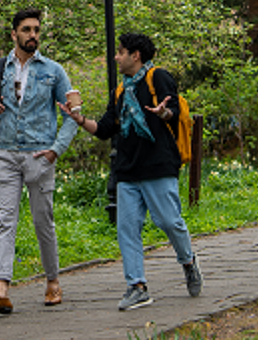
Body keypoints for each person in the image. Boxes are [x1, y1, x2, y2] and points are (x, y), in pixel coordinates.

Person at [58, 33, 203, 311]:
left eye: (120, 52)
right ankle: (137, 286)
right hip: (127, 170)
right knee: (127, 228)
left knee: (169, 221)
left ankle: (188, 262)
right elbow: (105, 129)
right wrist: (79, 119)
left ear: (135, 55)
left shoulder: (158, 77)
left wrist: (163, 113)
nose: (116, 57)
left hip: (158, 165)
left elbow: (173, 111)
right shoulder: (120, 91)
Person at [0, 8, 78, 312]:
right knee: (5, 220)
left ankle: (53, 281)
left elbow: (72, 115)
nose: (33, 35)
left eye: (36, 30)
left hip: (39, 154)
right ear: (14, 34)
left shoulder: (54, 71)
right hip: (5, 153)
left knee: (43, 220)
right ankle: (2, 289)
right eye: (27, 30)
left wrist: (56, 149)